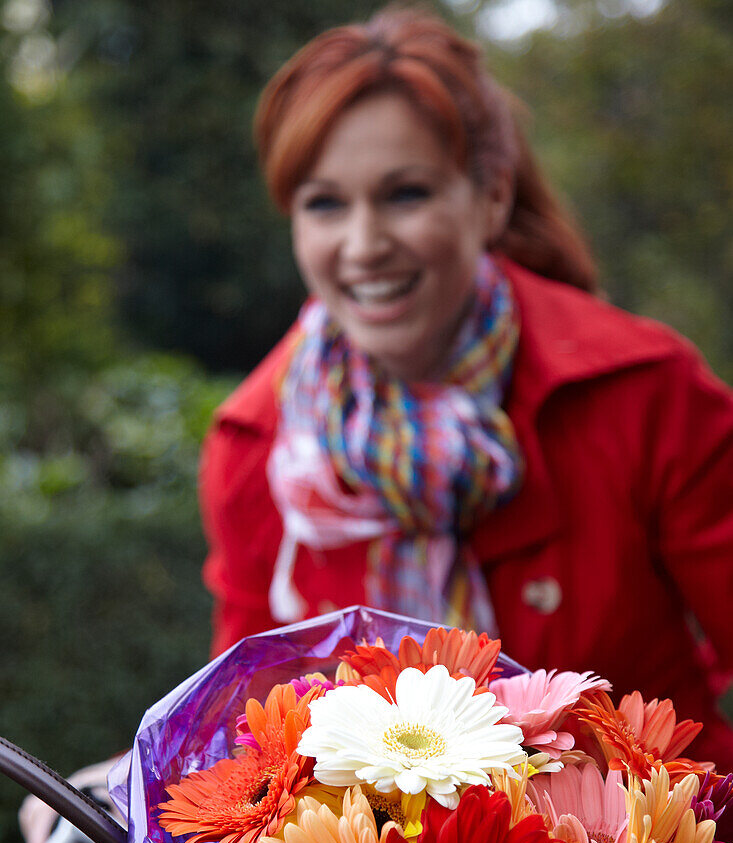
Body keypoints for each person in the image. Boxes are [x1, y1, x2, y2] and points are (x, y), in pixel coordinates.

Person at [199, 7, 733, 771]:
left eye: (405, 194)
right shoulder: (255, 443)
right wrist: (122, 797)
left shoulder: (643, 393)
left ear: (489, 197)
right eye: (324, 203)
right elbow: (243, 740)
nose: (362, 244)